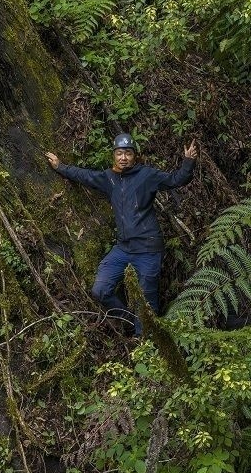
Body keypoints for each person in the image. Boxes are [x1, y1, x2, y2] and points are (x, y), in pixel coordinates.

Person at [46, 134, 198, 333]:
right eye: (119, 153)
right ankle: (128, 320)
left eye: (128, 153)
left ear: (135, 156)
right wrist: (61, 167)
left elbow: (176, 180)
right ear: (114, 156)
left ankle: (145, 344)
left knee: (146, 302)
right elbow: (85, 176)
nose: (123, 157)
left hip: (148, 249)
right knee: (100, 290)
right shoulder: (109, 178)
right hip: (123, 249)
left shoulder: (147, 175)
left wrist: (188, 162)